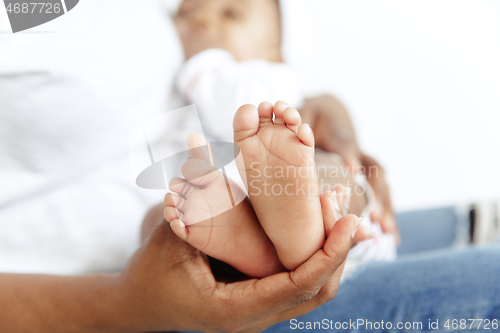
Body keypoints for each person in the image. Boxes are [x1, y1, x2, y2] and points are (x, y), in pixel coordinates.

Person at [167, 0, 396, 278]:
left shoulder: (266, 79)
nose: (201, 21)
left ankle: (306, 229)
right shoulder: (169, 102)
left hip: (345, 238)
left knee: (327, 171)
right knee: (161, 217)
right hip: (243, 247)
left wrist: (204, 61)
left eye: (232, 14)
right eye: (186, 13)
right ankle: (262, 249)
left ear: (277, 52)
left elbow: (237, 107)